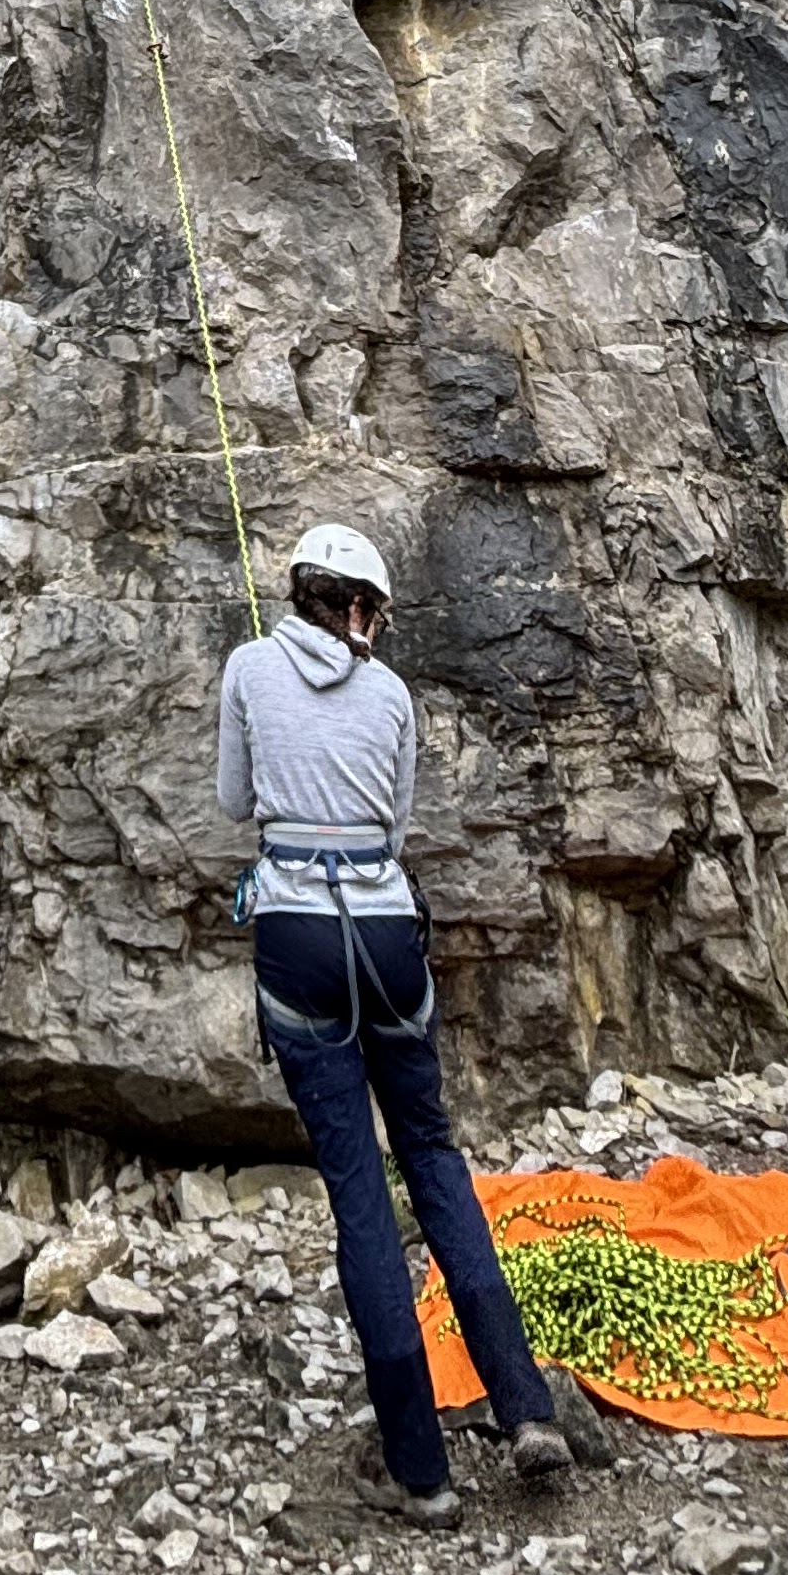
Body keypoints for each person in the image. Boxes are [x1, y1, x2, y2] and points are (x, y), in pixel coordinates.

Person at [218, 520, 574, 1520]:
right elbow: (396, 826)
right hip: (384, 935)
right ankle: (526, 1408)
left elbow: (234, 801)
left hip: (297, 937)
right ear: (361, 610)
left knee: (358, 1188)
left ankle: (422, 1474)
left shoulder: (249, 666)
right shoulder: (391, 695)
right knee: (431, 1154)